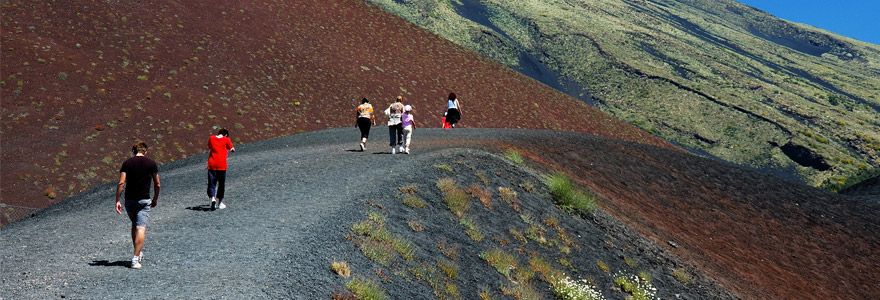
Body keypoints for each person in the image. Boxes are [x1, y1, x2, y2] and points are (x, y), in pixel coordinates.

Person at [116, 141, 161, 269]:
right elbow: (157, 184)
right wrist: (155, 199)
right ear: (145, 151)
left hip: (129, 200)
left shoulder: (127, 163)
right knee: (141, 228)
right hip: (144, 199)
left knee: (134, 225)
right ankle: (135, 259)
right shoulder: (151, 163)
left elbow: (121, 183)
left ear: (133, 151)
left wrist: (117, 200)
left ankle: (138, 251)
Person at [207, 128, 235, 210]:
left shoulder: (211, 138)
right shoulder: (226, 139)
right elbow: (232, 149)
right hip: (221, 165)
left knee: (212, 183)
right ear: (225, 135)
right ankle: (220, 203)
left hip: (211, 164)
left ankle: (213, 198)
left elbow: (208, 147)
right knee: (221, 184)